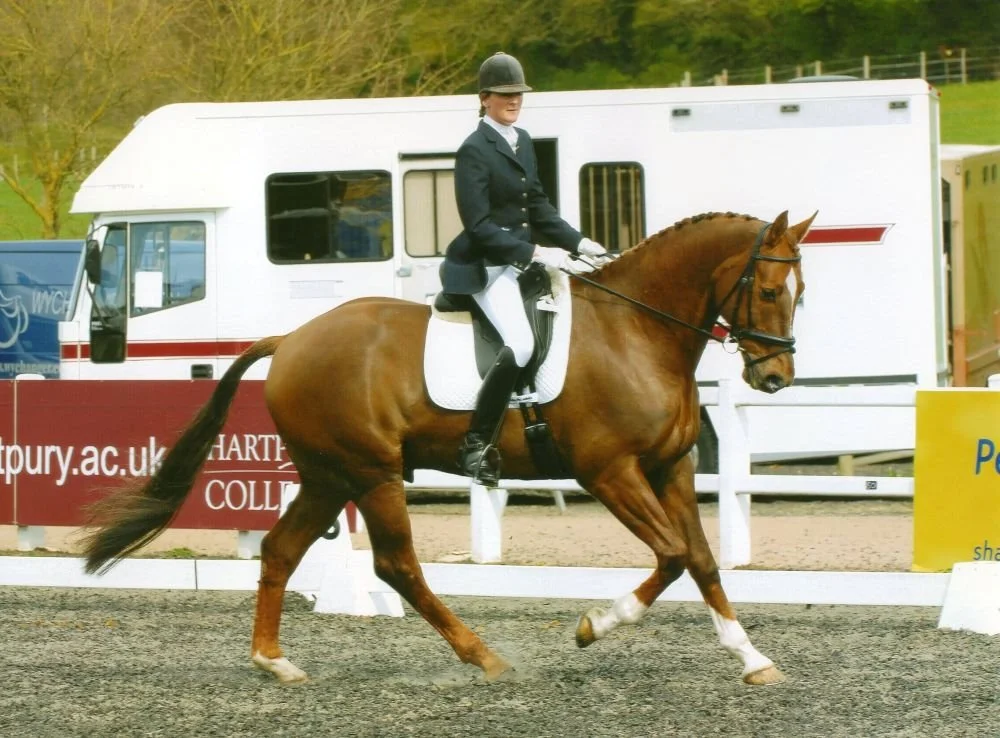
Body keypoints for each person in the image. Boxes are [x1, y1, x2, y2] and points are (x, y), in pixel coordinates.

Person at [439, 51, 608, 485]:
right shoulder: (474, 150)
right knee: (520, 342)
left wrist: (580, 242)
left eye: (519, 94)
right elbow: (477, 226)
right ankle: (477, 444)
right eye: (506, 94)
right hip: (487, 267)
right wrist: (535, 252)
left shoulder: (523, 140)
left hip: (520, 265)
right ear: (485, 98)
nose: (515, 100)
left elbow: (539, 207)